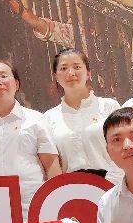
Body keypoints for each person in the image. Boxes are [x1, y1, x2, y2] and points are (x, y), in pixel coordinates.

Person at [0, 59, 60, 221]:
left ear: (16, 84)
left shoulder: (36, 119)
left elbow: (51, 163)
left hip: (31, 203)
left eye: (4, 76)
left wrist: (54, 203)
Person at [42, 47, 121, 181]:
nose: (70, 73)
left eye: (77, 67)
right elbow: (51, 164)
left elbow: (122, 148)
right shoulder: (49, 118)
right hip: (70, 190)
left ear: (88, 73)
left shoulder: (109, 107)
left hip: (111, 184)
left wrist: (111, 183)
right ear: (56, 76)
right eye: (63, 68)